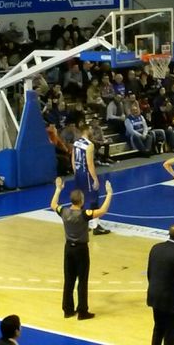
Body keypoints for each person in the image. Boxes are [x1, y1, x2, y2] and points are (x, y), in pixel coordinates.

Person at [50, 176, 113, 319]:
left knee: (69, 280)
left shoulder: (64, 212)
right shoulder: (84, 214)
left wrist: (58, 189)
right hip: (81, 250)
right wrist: (109, 194)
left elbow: (53, 204)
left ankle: (67, 309)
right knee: (82, 281)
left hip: (68, 249)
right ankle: (82, 311)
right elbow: (102, 210)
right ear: (82, 201)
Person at [72, 123, 110, 235]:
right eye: (90, 129)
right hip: (87, 175)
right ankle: (96, 225)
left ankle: (82, 223)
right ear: (85, 130)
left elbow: (73, 159)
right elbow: (90, 164)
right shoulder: (89, 145)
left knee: (80, 199)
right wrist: (95, 179)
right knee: (94, 198)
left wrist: (76, 172)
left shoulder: (76, 142)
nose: (92, 131)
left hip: (78, 174)